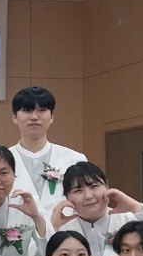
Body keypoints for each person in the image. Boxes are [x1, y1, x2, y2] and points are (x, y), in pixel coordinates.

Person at [9, 87, 87, 215]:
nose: (34, 117)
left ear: (51, 117)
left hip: (64, 226)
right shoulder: (2, 161)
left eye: (42, 110)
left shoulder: (75, 160)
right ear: (14, 117)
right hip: (17, 227)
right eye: (27, 110)